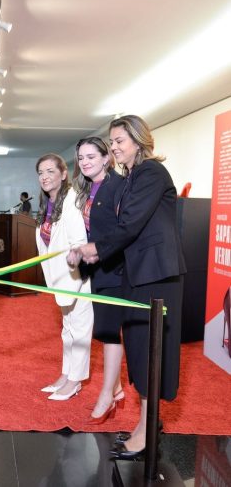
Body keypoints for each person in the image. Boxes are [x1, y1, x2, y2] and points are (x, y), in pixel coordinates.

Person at [71, 115, 186, 459]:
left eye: (120, 140)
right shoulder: (134, 175)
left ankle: (148, 429)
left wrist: (95, 248)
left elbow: (131, 223)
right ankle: (146, 424)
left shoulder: (150, 172)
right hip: (140, 275)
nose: (116, 146)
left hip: (157, 275)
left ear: (139, 140)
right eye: (114, 140)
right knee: (140, 350)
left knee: (151, 351)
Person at [72, 137, 125, 424]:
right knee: (104, 330)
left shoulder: (118, 185)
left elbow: (123, 231)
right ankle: (115, 389)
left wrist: (96, 252)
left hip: (115, 269)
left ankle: (107, 393)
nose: (85, 162)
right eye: (81, 158)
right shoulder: (88, 188)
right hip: (98, 268)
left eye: (92, 156)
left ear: (107, 158)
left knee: (108, 331)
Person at [35, 153, 94, 401]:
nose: (45, 177)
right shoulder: (48, 203)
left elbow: (79, 241)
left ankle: (75, 381)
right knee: (68, 329)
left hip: (77, 276)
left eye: (50, 171)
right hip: (60, 278)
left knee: (79, 330)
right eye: (41, 173)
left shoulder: (70, 201)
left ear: (63, 174)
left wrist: (76, 258)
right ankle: (66, 374)